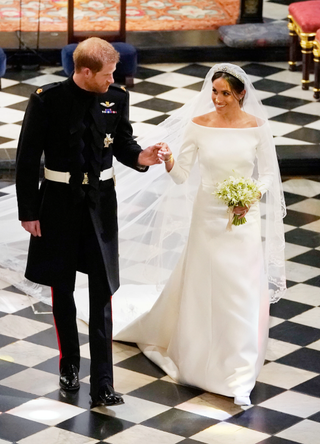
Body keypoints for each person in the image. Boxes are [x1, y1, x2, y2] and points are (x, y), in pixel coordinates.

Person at [111, 63, 286, 406]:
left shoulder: (257, 128)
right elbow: (181, 175)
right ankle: (202, 353)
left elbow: (267, 174)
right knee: (207, 285)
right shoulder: (198, 125)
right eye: (214, 92)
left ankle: (238, 369)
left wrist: (250, 195)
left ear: (241, 95)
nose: (217, 99)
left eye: (224, 93)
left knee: (241, 288)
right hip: (207, 216)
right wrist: (170, 159)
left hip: (243, 218)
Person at [15, 37, 163, 408]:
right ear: (84, 71)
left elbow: (123, 143)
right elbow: (27, 157)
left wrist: (142, 157)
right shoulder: (46, 100)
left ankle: (104, 383)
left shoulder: (116, 99)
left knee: (102, 292)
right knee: (62, 288)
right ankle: (68, 366)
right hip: (58, 205)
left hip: (101, 206)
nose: (114, 80)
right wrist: (28, 211)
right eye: (108, 74)